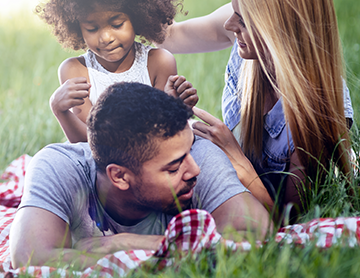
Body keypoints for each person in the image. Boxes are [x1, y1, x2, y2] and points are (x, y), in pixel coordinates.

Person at [158, 0, 354, 214]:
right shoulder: (248, 45)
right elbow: (168, 37)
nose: (228, 24)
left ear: (280, 29)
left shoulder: (316, 116)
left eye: (243, 19)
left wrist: (235, 157)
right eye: (233, 11)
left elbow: (286, 221)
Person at [9, 82, 271, 270]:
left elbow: (257, 234)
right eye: (173, 168)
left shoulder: (195, 153)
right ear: (120, 177)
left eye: (189, 152)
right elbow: (29, 256)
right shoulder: (59, 167)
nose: (194, 170)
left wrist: (126, 244)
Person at [36, 0, 197, 143]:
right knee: (48, 160)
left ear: (139, 18)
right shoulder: (75, 70)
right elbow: (89, 142)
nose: (105, 38)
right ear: (76, 26)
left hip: (154, 157)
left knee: (203, 145)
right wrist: (60, 111)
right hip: (99, 163)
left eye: (117, 24)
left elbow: (163, 136)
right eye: (92, 28)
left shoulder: (158, 62)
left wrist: (178, 109)